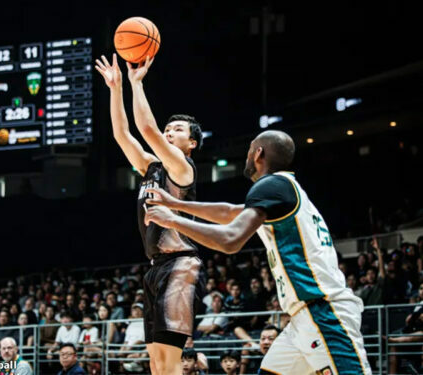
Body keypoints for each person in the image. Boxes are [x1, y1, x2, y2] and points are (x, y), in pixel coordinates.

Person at [144, 130, 372, 374]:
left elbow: (230, 240)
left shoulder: (271, 185)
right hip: (301, 320)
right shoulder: (283, 189)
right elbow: (230, 212)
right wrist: (176, 204)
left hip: (324, 312)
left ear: (258, 153)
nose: (246, 155)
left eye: (250, 149)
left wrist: (173, 221)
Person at [95, 53, 205, 375]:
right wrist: (115, 89)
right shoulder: (150, 167)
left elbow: (146, 127)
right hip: (156, 268)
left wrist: (136, 82)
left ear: (192, 143)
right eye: (168, 128)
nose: (169, 131)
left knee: (170, 366)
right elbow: (122, 135)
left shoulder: (182, 168)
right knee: (157, 366)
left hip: (181, 266)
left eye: (178, 129)